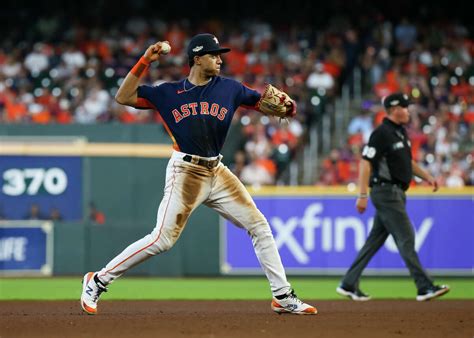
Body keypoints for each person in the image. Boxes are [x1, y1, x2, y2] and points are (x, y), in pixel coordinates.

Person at [80, 33, 317, 315]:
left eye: (220, 54)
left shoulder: (230, 89)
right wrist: (145, 60)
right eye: (214, 54)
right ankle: (98, 280)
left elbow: (265, 102)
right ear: (196, 58)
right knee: (162, 240)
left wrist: (288, 108)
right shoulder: (167, 93)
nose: (219, 59)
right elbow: (123, 96)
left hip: (217, 170)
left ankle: (282, 296)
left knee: (259, 226)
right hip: (186, 171)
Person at [336, 93, 450, 302]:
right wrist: (362, 195)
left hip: (396, 192)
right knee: (406, 236)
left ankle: (348, 283)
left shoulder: (400, 133)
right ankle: (424, 286)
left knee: (374, 241)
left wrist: (427, 177)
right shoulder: (381, 133)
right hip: (386, 192)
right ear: (394, 109)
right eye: (405, 107)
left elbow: (408, 162)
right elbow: (365, 163)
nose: (408, 111)